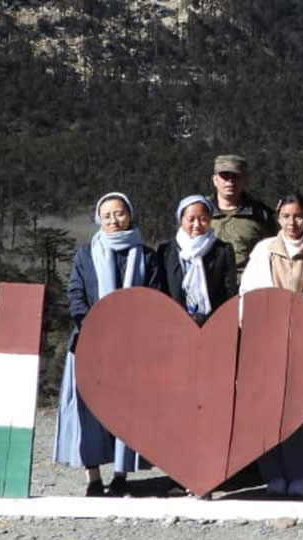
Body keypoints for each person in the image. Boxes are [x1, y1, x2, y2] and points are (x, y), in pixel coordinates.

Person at [239, 193, 303, 496]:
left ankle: (300, 473)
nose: (292, 222)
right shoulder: (262, 251)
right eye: (286, 216)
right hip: (268, 341)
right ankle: (273, 472)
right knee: (269, 408)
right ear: (278, 218)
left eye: (298, 216)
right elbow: (246, 294)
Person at [56, 191, 157, 497]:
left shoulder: (146, 255)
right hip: (91, 345)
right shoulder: (86, 254)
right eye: (107, 215)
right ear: (98, 218)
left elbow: (153, 297)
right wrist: (92, 327)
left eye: (120, 213)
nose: (114, 220)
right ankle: (93, 477)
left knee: (129, 411)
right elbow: (76, 295)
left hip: (133, 348)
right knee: (89, 412)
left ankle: (121, 474)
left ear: (131, 215)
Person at [156, 194, 238, 323]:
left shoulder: (222, 250)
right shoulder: (166, 251)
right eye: (191, 219)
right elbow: (161, 290)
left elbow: (228, 291)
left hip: (212, 322)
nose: (197, 224)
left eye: (203, 219)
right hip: (173, 321)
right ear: (181, 219)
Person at [208, 154, 275, 274]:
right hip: (207, 284)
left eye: (236, 176)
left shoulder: (261, 214)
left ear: (245, 180)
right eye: (225, 176)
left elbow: (273, 252)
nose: (230, 181)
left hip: (247, 284)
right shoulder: (201, 212)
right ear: (215, 180)